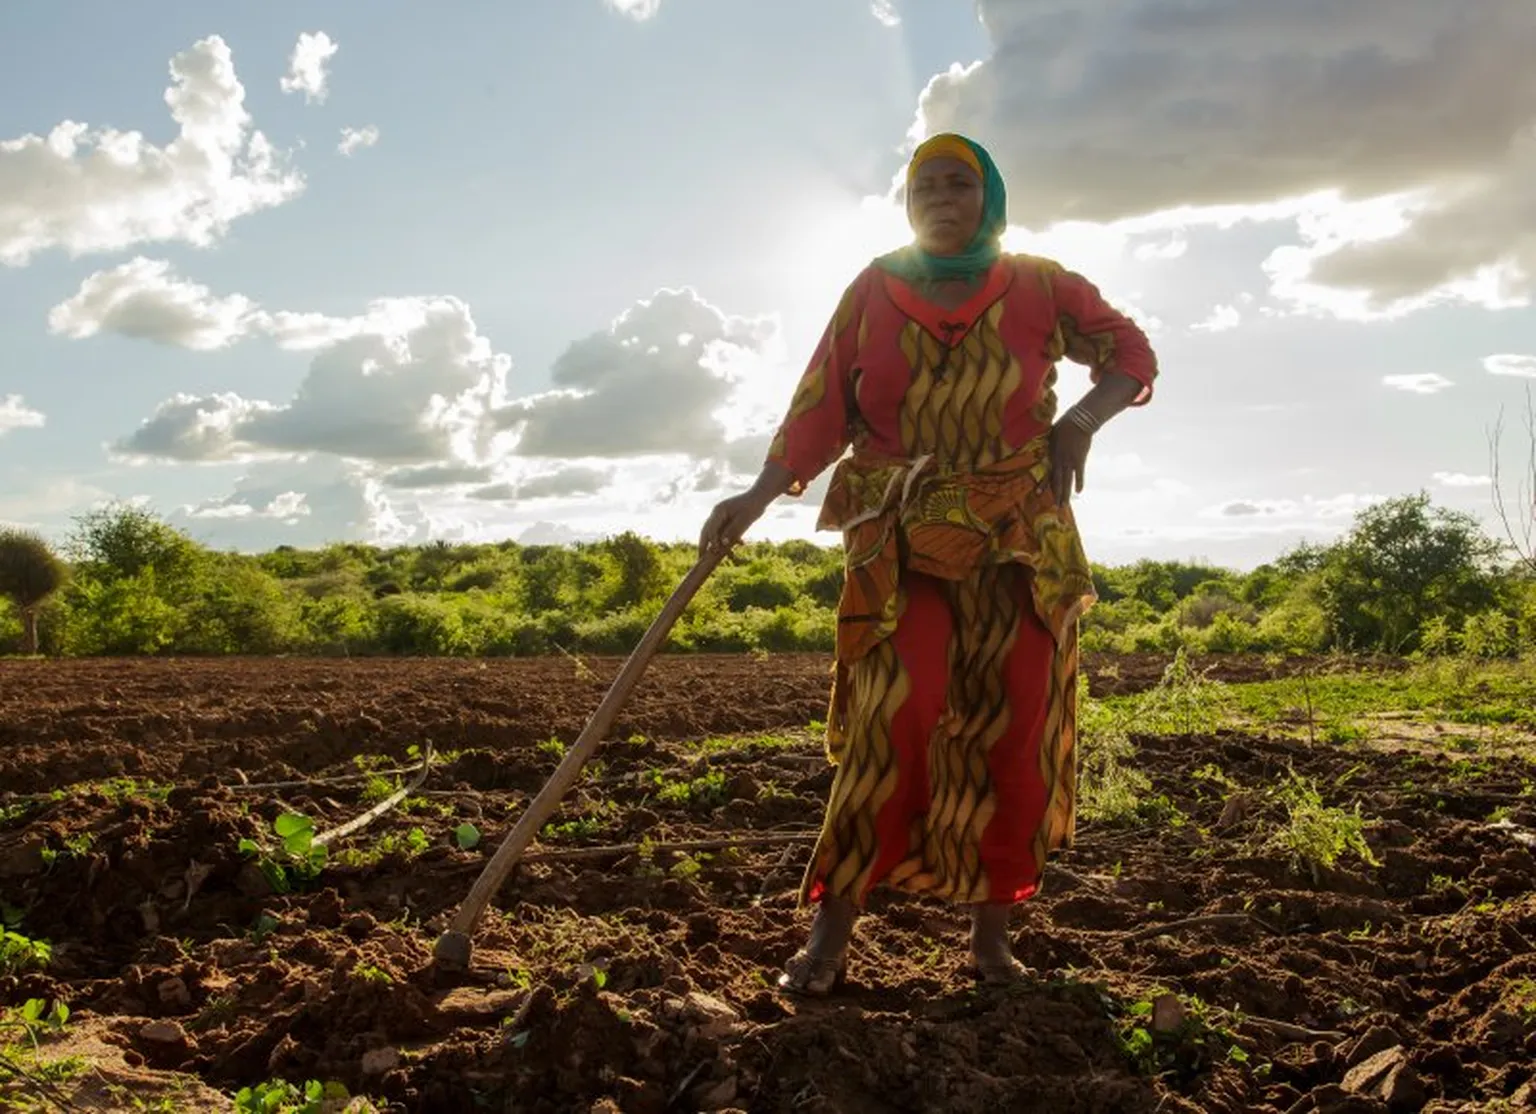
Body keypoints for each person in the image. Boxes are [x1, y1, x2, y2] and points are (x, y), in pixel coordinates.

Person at [697, 132, 1158, 994]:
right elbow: (819, 409)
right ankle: (829, 940)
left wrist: (1079, 422)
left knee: (1013, 727)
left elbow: (1130, 355)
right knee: (890, 721)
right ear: (904, 204)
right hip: (899, 542)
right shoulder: (873, 290)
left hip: (1020, 538)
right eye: (924, 186)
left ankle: (992, 944)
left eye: (960, 182)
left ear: (990, 197)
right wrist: (757, 495)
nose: (941, 196)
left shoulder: (1040, 285)